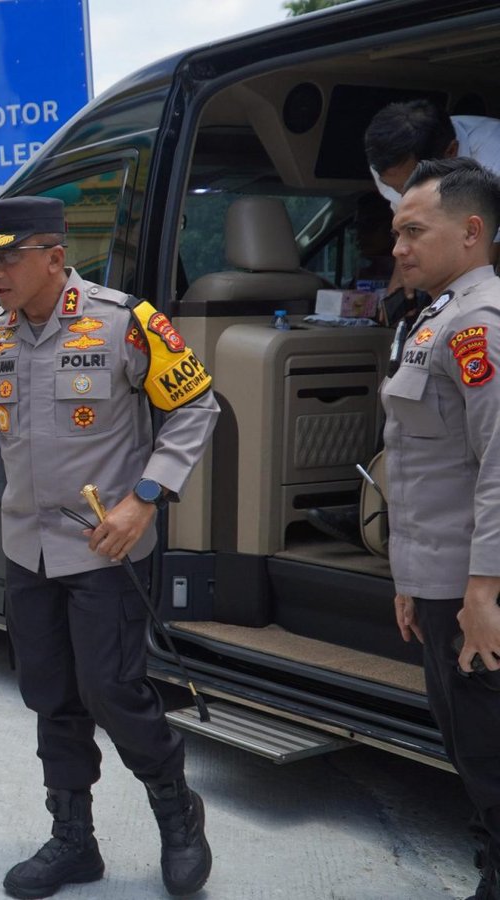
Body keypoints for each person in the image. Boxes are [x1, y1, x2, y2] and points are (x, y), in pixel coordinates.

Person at [0, 197, 219, 899]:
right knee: (51, 696)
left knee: (112, 692)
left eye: (7, 257)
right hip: (27, 549)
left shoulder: (126, 322)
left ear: (54, 258)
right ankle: (74, 839)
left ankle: (177, 811)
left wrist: (144, 499)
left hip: (104, 547)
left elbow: (195, 408)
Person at [381, 157, 500, 900]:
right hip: (435, 580)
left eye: (414, 231)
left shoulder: (477, 325)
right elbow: (421, 468)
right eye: (396, 232)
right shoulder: (432, 315)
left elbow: (498, 465)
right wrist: (408, 582)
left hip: (472, 588)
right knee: (466, 747)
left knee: (488, 752)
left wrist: (483, 591)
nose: (397, 247)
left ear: (472, 231)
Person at [365, 100, 500, 209]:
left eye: (413, 184)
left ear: (451, 151)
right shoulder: (387, 166)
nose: (405, 196)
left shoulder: (493, 161)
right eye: (395, 187)